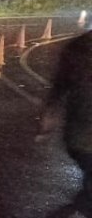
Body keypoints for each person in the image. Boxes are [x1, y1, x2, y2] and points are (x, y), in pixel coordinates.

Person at [38, 31, 92, 196]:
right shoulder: (80, 46)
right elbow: (61, 81)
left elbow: (60, 83)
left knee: (79, 149)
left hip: (80, 114)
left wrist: (51, 109)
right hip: (82, 113)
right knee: (79, 149)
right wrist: (51, 110)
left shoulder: (79, 45)